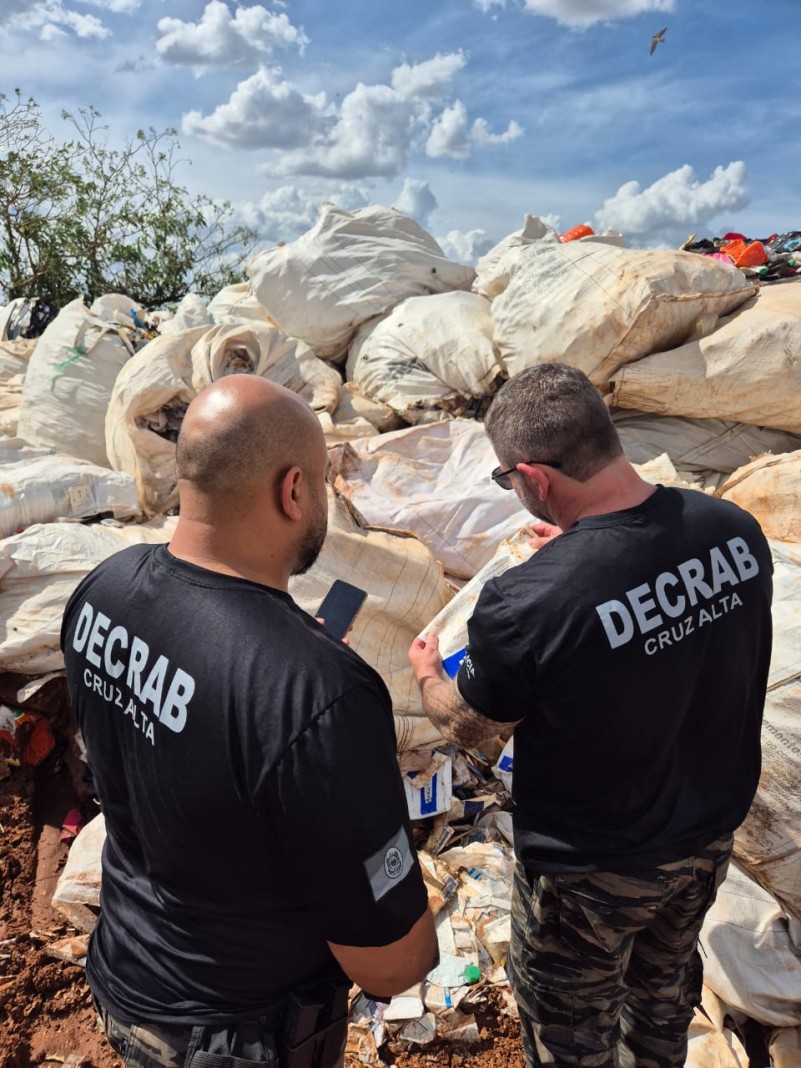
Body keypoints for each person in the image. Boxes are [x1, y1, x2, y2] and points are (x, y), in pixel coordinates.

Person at [61, 375, 437, 1068]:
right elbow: (390, 967)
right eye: (322, 482)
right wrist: (313, 707)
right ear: (293, 490)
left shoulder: (102, 589)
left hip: (124, 977)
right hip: (231, 1036)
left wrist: (290, 684)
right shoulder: (315, 691)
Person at [409, 363, 772, 1068]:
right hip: (703, 840)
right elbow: (643, 584)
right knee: (662, 990)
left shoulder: (526, 603)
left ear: (535, 479)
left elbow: (473, 729)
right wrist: (581, 552)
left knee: (569, 1020)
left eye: (505, 481)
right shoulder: (732, 530)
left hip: (592, 869)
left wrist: (427, 674)